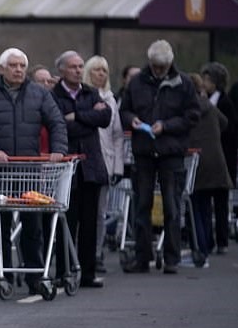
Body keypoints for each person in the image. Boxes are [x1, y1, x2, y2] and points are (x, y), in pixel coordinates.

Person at [0, 47, 67, 294]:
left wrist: (58, 149)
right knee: (1, 224)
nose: (19, 69)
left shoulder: (39, 95)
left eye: (22, 65)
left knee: (31, 224)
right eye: (13, 65)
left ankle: (34, 275)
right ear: (2, 69)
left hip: (29, 169)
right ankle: (3, 274)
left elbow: (56, 122)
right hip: (0, 172)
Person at [119, 40, 200, 274]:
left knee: (172, 207)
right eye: (155, 66)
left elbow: (192, 115)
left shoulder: (183, 83)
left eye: (162, 67)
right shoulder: (136, 82)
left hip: (171, 152)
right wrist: (131, 120)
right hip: (144, 151)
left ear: (170, 63)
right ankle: (142, 258)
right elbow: (124, 109)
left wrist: (167, 126)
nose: (158, 71)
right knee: (141, 204)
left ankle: (172, 258)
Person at [50, 51, 111, 288]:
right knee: (67, 222)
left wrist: (77, 116)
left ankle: (88, 273)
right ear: (62, 70)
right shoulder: (53, 96)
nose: (78, 70)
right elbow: (60, 126)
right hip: (67, 169)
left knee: (89, 223)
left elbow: (105, 118)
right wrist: (89, 117)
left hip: (91, 166)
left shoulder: (90, 91)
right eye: (73, 67)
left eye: (80, 66)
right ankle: (64, 272)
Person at [83, 55, 124, 274]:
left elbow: (117, 135)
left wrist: (118, 167)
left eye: (105, 70)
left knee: (100, 212)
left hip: (105, 161)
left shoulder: (110, 99)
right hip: (85, 160)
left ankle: (96, 253)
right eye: (97, 70)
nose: (101, 74)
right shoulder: (82, 96)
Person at [188, 72, 231, 266]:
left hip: (195, 161)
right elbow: (225, 123)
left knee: (195, 206)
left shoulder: (186, 109)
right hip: (216, 161)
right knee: (207, 207)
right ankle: (209, 245)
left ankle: (200, 249)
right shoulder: (211, 107)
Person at [200, 62, 237, 254]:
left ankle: (222, 239)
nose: (204, 83)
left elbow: (229, 130)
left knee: (221, 202)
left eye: (207, 79)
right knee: (206, 201)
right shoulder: (204, 99)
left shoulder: (224, 102)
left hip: (222, 157)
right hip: (207, 158)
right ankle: (208, 239)